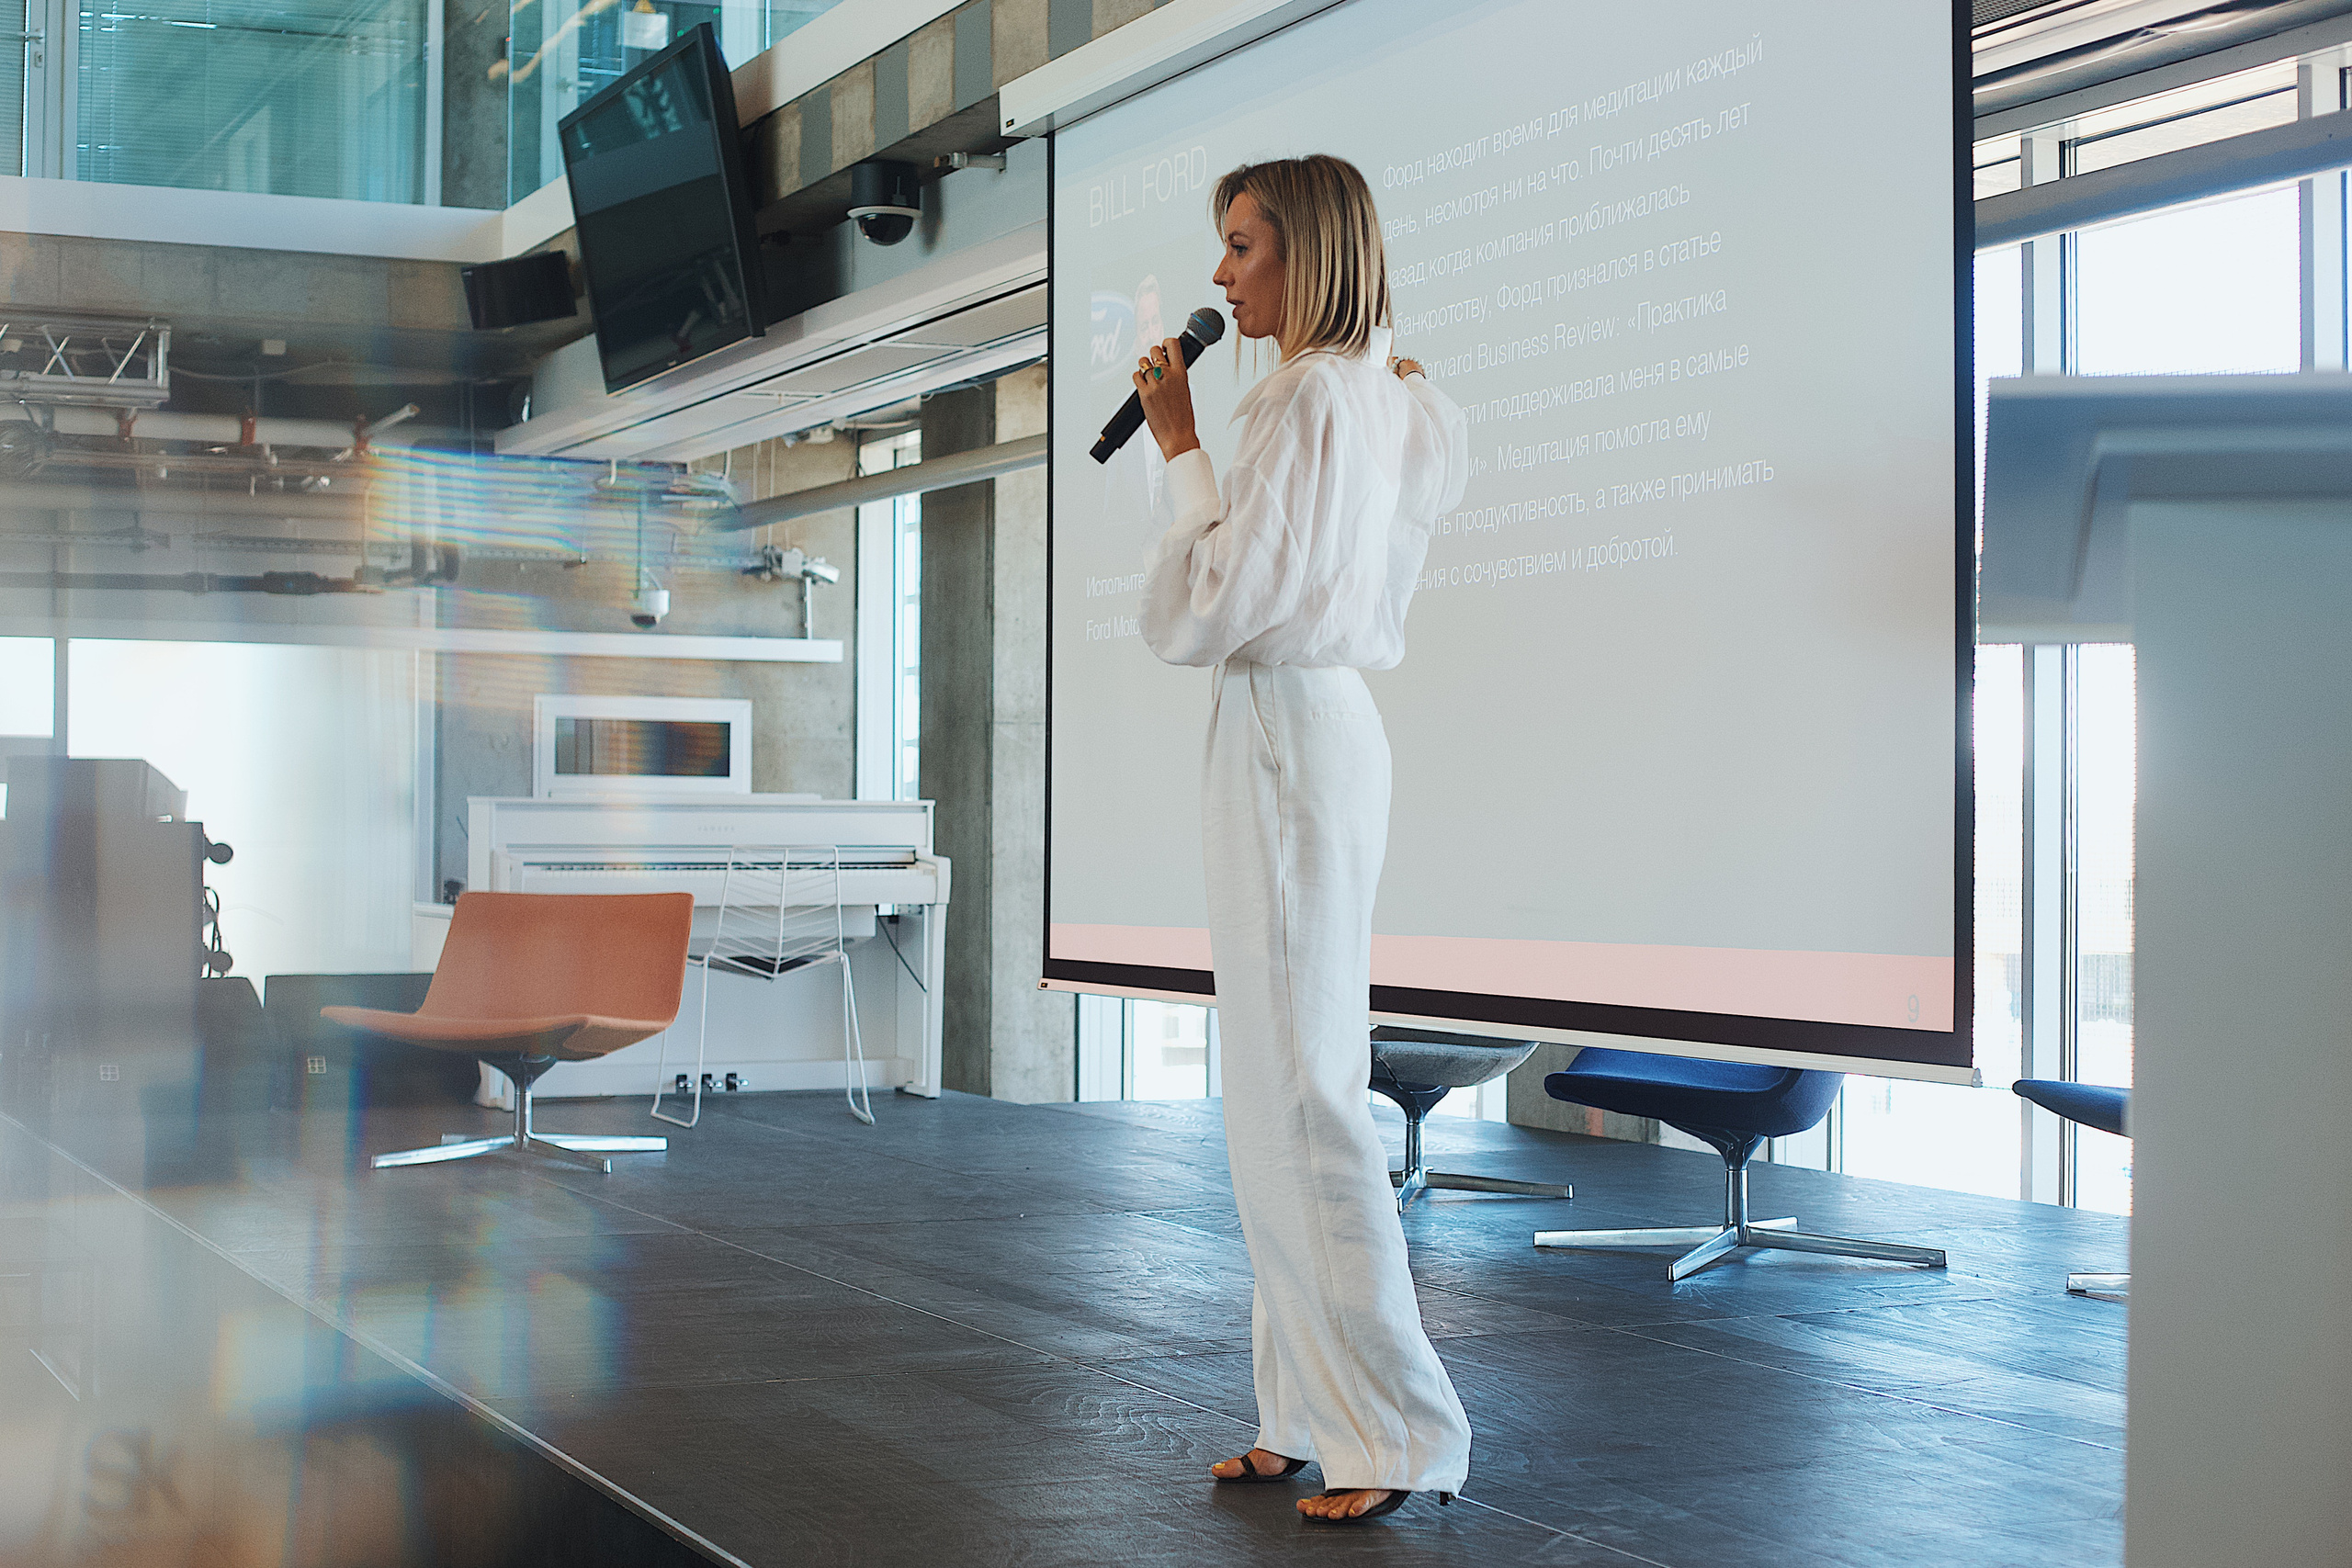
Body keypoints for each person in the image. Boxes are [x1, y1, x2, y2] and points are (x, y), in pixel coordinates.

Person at [1130, 154, 1472, 1525]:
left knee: (1299, 1094)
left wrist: (1179, 449)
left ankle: (1393, 1430)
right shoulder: (1393, 397)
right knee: (1280, 1083)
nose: (1221, 277)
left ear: (1309, 251)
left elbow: (1210, 604)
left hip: (1281, 722)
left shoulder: (1304, 399)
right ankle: (1303, 1409)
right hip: (1321, 727)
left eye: (1241, 247)